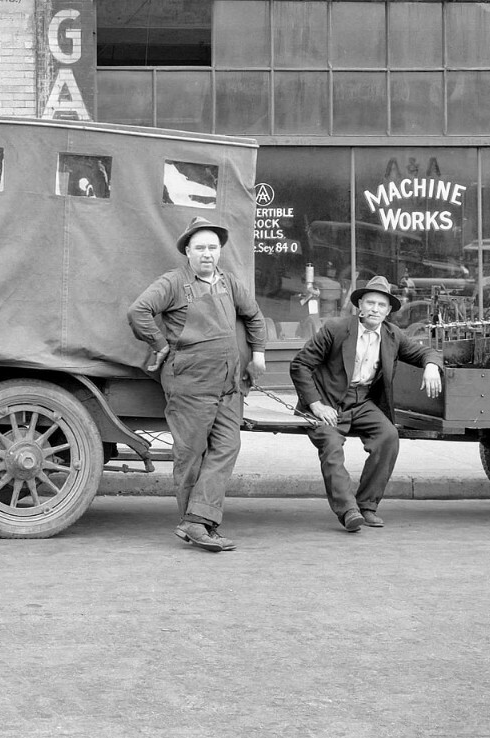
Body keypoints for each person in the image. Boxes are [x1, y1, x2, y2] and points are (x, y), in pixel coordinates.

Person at [128, 216, 267, 552]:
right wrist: (161, 345)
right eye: (200, 247)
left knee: (227, 447)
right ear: (187, 251)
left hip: (228, 385)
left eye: (213, 248)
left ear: (220, 251)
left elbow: (254, 316)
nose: (207, 254)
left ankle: (196, 521)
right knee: (190, 455)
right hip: (189, 384)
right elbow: (139, 311)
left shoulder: (230, 283)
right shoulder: (173, 283)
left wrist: (259, 354)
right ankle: (197, 524)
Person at [289, 275, 442, 532]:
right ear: (360, 305)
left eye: (381, 305)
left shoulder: (393, 336)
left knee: (388, 436)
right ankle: (348, 510)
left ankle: (367, 505)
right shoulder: (336, 329)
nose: (375, 309)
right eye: (370, 303)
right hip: (328, 401)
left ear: (389, 311)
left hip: (362, 403)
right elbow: (300, 365)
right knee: (331, 444)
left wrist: (431, 366)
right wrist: (316, 405)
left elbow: (427, 351)